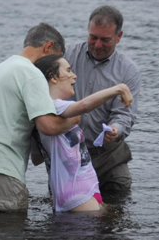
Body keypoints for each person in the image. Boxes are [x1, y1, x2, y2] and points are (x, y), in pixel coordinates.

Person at [0, 23, 80, 213]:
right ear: (48, 47)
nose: (53, 69)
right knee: (7, 230)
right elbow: (48, 126)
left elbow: (35, 155)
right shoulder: (31, 74)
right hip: (0, 168)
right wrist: (76, 116)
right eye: (56, 60)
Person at [31, 54, 133, 212]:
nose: (74, 75)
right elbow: (84, 105)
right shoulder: (53, 106)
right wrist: (119, 89)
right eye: (69, 70)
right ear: (53, 78)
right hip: (75, 192)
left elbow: (36, 158)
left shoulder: (51, 111)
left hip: (85, 188)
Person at [64, 5, 141, 193]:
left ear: (119, 36)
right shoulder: (66, 57)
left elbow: (124, 115)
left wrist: (116, 130)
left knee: (119, 190)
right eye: (93, 37)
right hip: (69, 151)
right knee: (65, 202)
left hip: (108, 154)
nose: (97, 45)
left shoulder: (128, 71)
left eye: (105, 40)